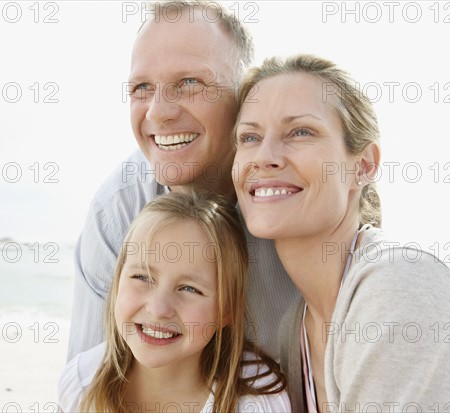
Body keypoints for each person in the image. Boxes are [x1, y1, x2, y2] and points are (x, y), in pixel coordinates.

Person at [232, 54, 450, 412]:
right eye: (249, 137)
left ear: (364, 165)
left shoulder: (402, 283)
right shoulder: (298, 328)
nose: (265, 155)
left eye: (301, 132)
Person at [68, 0, 299, 362]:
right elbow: (92, 383)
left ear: (244, 96)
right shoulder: (117, 209)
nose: (158, 111)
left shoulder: (297, 193)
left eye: (190, 82)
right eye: (142, 88)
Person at [59, 192, 291, 412]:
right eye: (142, 277)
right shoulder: (82, 382)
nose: (159, 309)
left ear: (226, 310)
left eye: (189, 288)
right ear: (118, 281)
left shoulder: (257, 401)